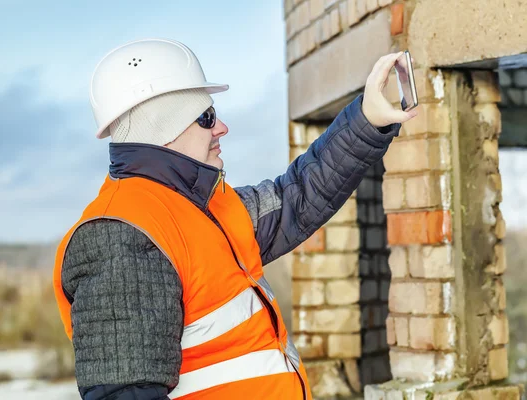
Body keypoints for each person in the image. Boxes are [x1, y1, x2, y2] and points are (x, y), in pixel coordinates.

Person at [53, 38, 417, 400]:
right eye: (206, 117)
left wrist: (367, 120)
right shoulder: (121, 236)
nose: (221, 127)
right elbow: (125, 394)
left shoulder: (207, 206)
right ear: (164, 127)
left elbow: (299, 195)